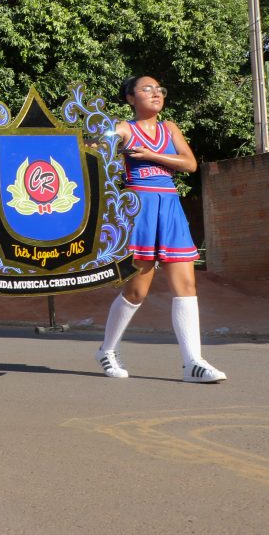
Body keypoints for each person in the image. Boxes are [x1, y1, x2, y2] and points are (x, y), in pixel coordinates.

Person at [95, 75, 226, 383]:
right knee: (136, 291)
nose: (156, 93)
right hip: (139, 209)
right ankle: (107, 350)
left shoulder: (170, 129)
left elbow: (190, 164)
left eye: (159, 89)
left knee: (187, 286)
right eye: (147, 89)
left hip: (169, 207)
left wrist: (152, 155)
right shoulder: (124, 128)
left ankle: (193, 362)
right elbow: (95, 145)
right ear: (130, 98)